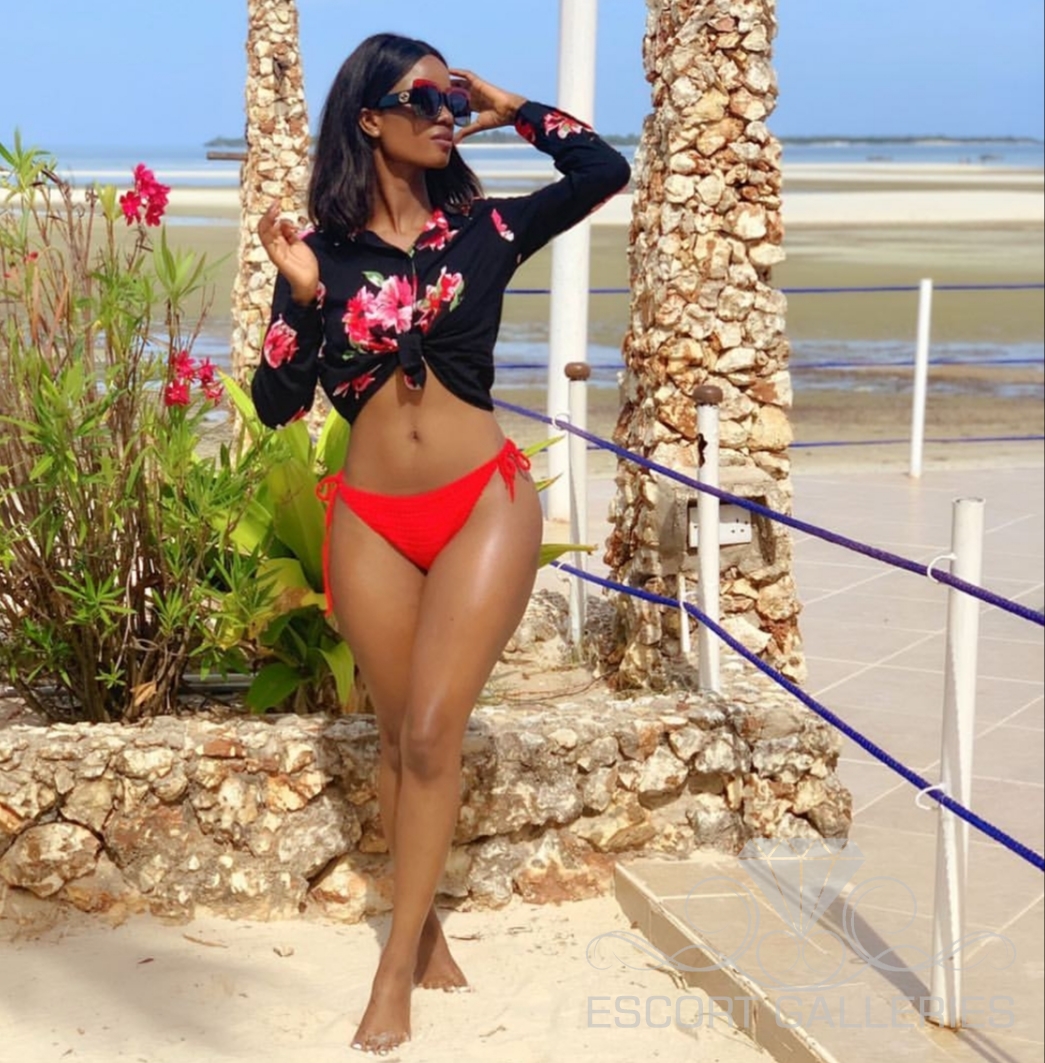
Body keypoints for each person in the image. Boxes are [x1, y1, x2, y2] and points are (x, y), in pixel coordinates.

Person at [251, 31, 630, 1056]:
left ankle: (393, 970)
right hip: (371, 516)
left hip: (481, 503)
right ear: (368, 119)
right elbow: (275, 404)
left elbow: (603, 169)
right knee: (393, 735)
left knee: (429, 732)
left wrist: (510, 107)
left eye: (450, 99)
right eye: (423, 99)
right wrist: (299, 297)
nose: (443, 115)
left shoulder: (487, 227)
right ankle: (426, 932)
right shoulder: (320, 254)